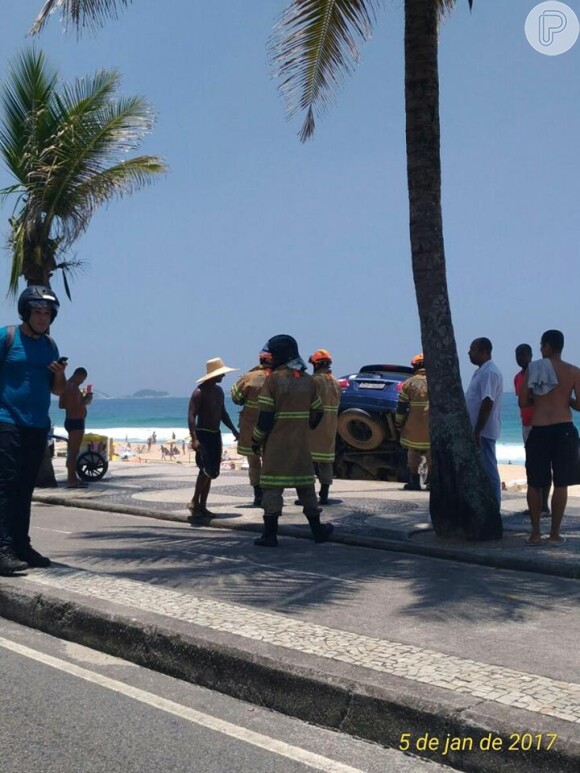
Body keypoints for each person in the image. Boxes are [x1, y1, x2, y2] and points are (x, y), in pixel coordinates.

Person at [0, 286, 66, 574]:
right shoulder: (7, 337)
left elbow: (58, 390)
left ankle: (21, 545)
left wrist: (60, 374)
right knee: (6, 485)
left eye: (47, 313)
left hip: (37, 425)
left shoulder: (50, 346)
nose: (42, 318)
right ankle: (2, 549)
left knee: (25, 487)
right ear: (26, 312)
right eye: (37, 312)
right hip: (6, 421)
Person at [251, 334, 333, 547]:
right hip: (301, 446)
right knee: (306, 487)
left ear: (280, 355)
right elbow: (318, 412)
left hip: (276, 446)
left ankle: (270, 535)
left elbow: (265, 416)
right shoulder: (308, 380)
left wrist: (256, 439)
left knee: (272, 489)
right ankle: (317, 530)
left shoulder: (273, 380)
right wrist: (305, 428)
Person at [519, 329, 580, 546]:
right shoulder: (573, 371)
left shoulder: (533, 369)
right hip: (564, 429)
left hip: (540, 429)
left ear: (547, 346)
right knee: (561, 483)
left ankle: (535, 533)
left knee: (535, 483)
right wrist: (565, 399)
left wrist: (538, 400)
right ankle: (554, 534)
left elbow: (523, 402)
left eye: (541, 345)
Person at [187, 357, 239, 518]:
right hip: (203, 434)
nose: (223, 376)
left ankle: (202, 506)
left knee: (212, 472)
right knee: (204, 471)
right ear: (213, 375)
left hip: (215, 434)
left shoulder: (219, 391)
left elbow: (222, 413)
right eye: (221, 374)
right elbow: (191, 415)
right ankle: (194, 502)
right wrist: (194, 438)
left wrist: (233, 429)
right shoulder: (199, 392)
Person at [231, 349, 273, 506]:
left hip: (250, 425)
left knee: (254, 462)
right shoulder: (279, 378)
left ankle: (258, 494)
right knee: (270, 461)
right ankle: (271, 493)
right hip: (273, 427)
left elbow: (236, 397)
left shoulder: (250, 377)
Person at [466, 337, 503, 504]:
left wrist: (478, 430)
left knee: (489, 470)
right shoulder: (481, 371)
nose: (469, 353)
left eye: (473, 349)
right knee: (481, 469)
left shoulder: (489, 372)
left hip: (484, 432)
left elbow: (488, 401)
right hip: (479, 430)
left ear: (484, 352)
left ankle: (494, 506)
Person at [514, 343, 550, 516]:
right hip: (526, 424)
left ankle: (544, 505)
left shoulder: (538, 373)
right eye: (517, 355)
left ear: (530, 355)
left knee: (544, 464)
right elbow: (521, 399)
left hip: (540, 423)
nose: (520, 358)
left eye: (523, 354)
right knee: (531, 464)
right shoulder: (517, 377)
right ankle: (534, 504)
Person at [307, 349, 341, 504]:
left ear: (315, 364)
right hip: (330, 426)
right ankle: (324, 494)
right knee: (326, 460)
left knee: (308, 460)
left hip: (313, 425)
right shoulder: (335, 382)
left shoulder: (313, 381)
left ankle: (308, 496)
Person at [395, 353, 431, 491]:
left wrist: (398, 423)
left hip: (413, 429)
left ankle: (414, 482)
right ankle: (432, 483)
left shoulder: (408, 383)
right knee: (431, 456)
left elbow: (401, 407)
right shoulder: (435, 382)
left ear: (414, 367)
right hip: (431, 428)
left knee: (413, 455)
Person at [60, 367, 93, 488]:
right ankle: (71, 480)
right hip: (76, 422)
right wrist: (87, 398)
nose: (82, 382)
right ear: (78, 375)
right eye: (82, 379)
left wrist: (82, 399)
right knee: (74, 453)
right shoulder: (73, 387)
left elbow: (61, 405)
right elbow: (78, 405)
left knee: (72, 451)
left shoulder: (65, 386)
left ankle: (73, 478)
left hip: (70, 420)